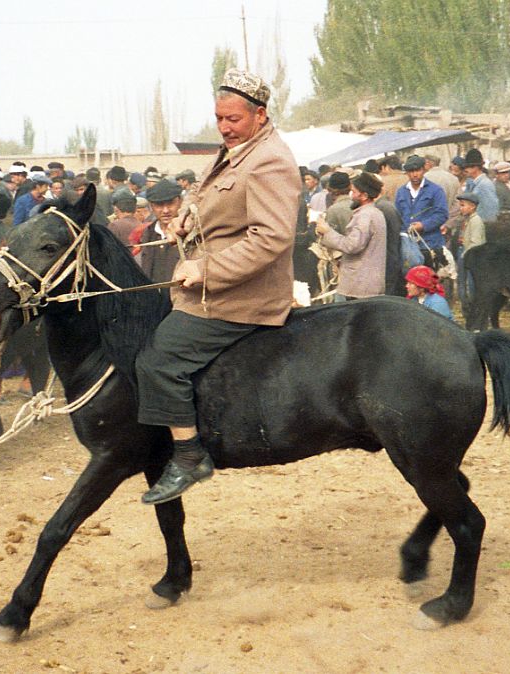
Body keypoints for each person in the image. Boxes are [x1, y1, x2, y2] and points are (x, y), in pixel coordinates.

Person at [135, 68, 301, 505]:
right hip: (214, 286)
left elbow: (271, 238)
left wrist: (205, 269)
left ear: (260, 115)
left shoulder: (271, 161)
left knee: (159, 360)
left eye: (234, 119)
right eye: (219, 118)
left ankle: (190, 457)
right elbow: (213, 199)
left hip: (243, 295)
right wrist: (187, 217)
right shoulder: (234, 152)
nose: (224, 127)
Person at [315, 171, 387, 301]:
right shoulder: (373, 213)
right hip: (364, 283)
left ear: (364, 195)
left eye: (354, 192)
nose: (351, 196)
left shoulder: (366, 216)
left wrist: (327, 232)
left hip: (361, 285)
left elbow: (352, 246)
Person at [395, 155, 448, 269]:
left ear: (423, 170)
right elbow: (397, 217)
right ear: (407, 173)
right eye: (411, 171)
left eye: (417, 170)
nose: (414, 174)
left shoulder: (436, 190)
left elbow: (442, 214)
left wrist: (423, 225)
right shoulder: (401, 192)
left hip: (429, 245)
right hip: (409, 247)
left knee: (430, 282)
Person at [137, 181, 183, 283]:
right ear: (151, 206)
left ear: (180, 202)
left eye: (170, 203)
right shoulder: (147, 234)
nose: (165, 210)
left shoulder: (188, 234)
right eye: (159, 205)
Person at [455, 191, 485, 304]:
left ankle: (471, 305)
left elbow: (476, 243)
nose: (460, 208)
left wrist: (465, 255)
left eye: (463, 205)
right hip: (463, 252)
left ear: (472, 207)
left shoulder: (476, 221)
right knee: (461, 281)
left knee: (470, 283)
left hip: (470, 255)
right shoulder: (467, 219)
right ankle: (466, 306)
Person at [462, 149, 499, 224]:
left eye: (468, 167)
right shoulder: (474, 183)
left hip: (482, 226)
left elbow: (491, 212)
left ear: (476, 167)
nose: (465, 169)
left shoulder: (484, 185)